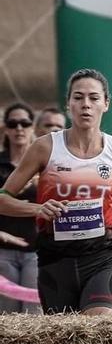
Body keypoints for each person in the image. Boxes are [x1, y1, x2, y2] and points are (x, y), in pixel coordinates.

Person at [0, 70, 112, 315]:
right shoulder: (44, 148)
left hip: (102, 255)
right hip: (56, 258)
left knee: (98, 329)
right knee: (64, 342)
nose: (86, 105)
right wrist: (37, 208)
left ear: (106, 103)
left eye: (93, 98)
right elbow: (3, 199)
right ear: (68, 104)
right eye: (78, 98)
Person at [0, 102, 40, 314]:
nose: (19, 129)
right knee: (6, 316)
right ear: (5, 128)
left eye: (24, 123)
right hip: (3, 249)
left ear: (33, 127)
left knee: (34, 316)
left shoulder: (44, 163)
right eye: (13, 123)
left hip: (36, 249)